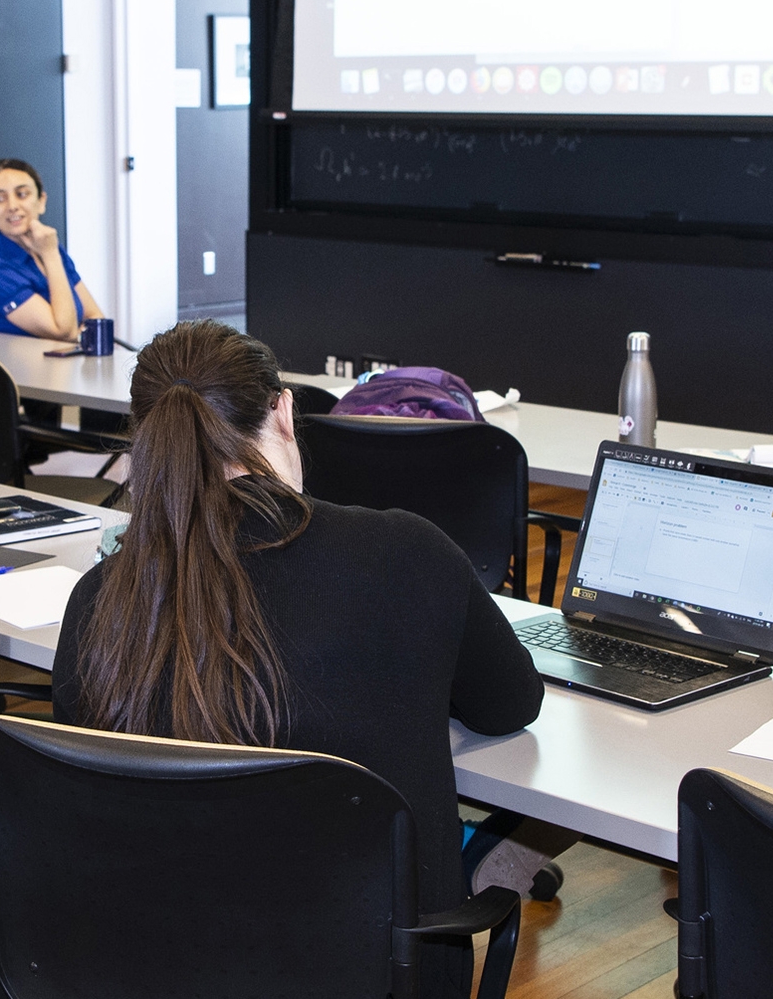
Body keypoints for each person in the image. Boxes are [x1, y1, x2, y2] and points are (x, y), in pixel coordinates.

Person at [49, 320, 542, 996]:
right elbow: (510, 705)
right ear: (283, 409)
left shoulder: (103, 599)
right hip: (377, 973)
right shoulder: (407, 553)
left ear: (147, 434)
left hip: (155, 965)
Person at [0, 158, 107, 340]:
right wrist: (50, 255)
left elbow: (96, 319)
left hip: (71, 367)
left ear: (41, 201)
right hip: (20, 369)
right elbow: (63, 331)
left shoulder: (50, 247)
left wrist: (51, 253)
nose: (12, 206)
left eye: (22, 194)